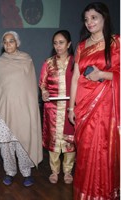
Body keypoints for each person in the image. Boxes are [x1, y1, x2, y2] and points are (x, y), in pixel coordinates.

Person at [68, 2, 120, 199]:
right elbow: (75, 78)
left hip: (105, 106)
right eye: (86, 19)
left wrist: (102, 74)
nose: (89, 22)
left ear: (104, 18)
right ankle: (85, 193)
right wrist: (71, 108)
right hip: (83, 105)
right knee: (86, 151)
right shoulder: (82, 46)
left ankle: (102, 193)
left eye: (94, 17)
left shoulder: (116, 42)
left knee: (102, 149)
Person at [0, 31, 43, 187]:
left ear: (17, 43)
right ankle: (10, 172)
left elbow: (31, 88)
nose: (8, 44)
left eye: (11, 41)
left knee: (22, 142)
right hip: (3, 111)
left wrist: (32, 110)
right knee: (5, 145)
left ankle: (26, 173)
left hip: (22, 110)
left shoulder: (26, 60)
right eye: (5, 42)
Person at [39, 30, 76, 184]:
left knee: (70, 142)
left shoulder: (76, 63)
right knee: (53, 143)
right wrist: (44, 92)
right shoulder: (48, 63)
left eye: (61, 42)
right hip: (52, 110)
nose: (58, 46)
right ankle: (55, 171)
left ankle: (68, 171)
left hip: (71, 108)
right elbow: (42, 83)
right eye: (55, 43)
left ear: (68, 44)